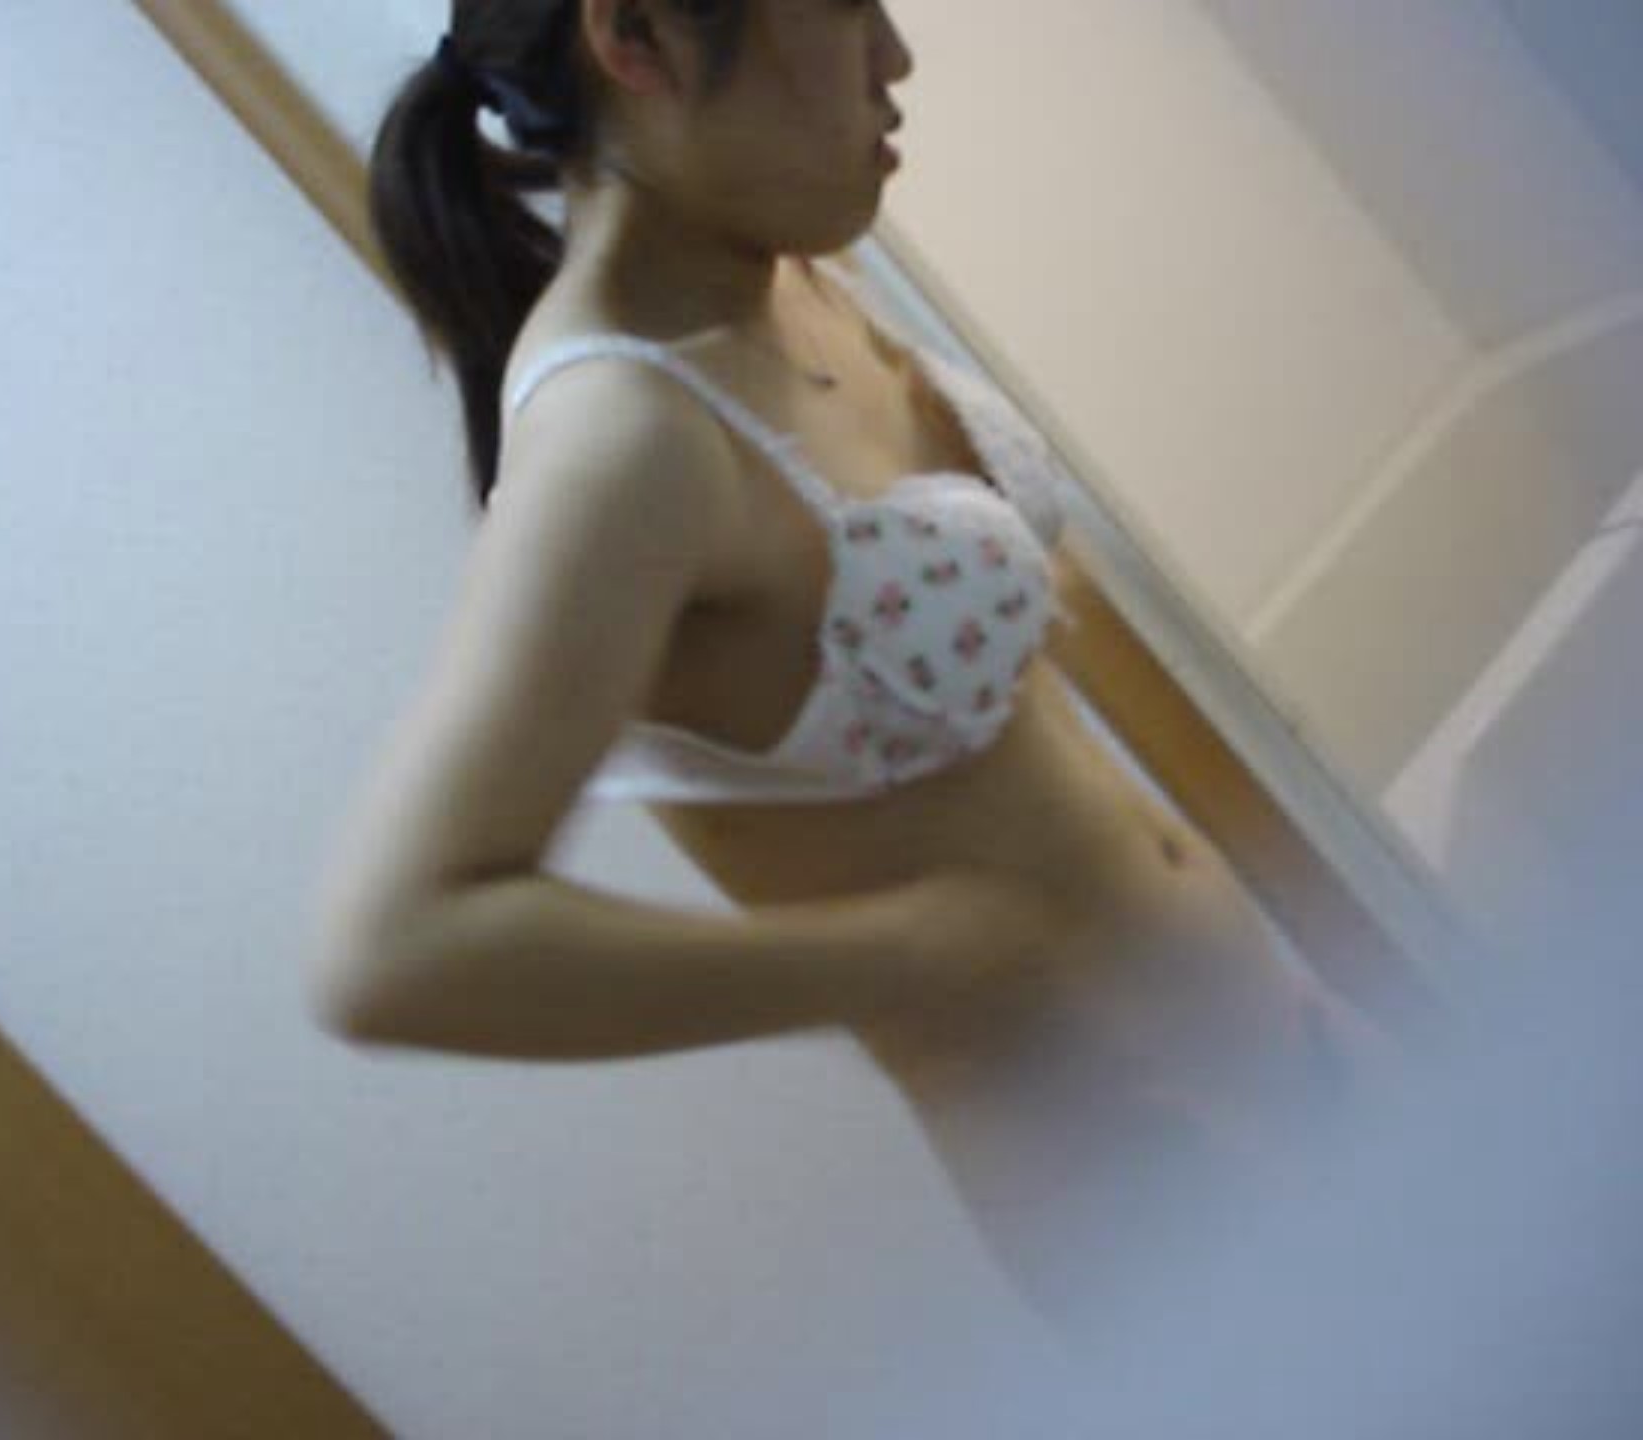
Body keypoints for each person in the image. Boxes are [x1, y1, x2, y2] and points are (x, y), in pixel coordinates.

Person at [310, 0, 1412, 1329]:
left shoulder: (781, 278)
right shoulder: (624, 441)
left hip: (1294, 1038)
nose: (894, 55)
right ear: (637, 39)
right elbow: (397, 950)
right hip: (1175, 1200)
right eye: (842, 8)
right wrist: (898, 953)